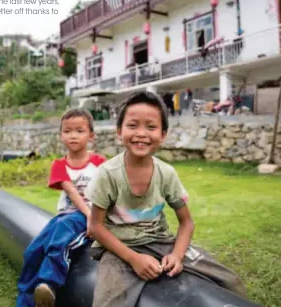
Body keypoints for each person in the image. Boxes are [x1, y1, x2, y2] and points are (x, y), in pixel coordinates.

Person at [86, 91, 247, 307]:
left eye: (151, 127)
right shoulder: (107, 174)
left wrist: (177, 256)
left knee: (230, 281)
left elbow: (186, 223)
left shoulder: (167, 173)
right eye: (133, 125)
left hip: (161, 242)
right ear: (119, 131)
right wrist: (134, 259)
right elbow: (95, 227)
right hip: (120, 248)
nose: (141, 133)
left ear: (163, 135)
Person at [16, 108, 107, 307]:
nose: (73, 135)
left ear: (91, 136)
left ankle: (49, 284)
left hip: (90, 215)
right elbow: (72, 193)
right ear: (61, 136)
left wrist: (95, 219)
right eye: (67, 131)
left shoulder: (100, 163)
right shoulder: (59, 165)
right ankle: (25, 302)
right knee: (32, 251)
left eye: (79, 130)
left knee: (60, 241)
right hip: (68, 215)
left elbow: (110, 192)